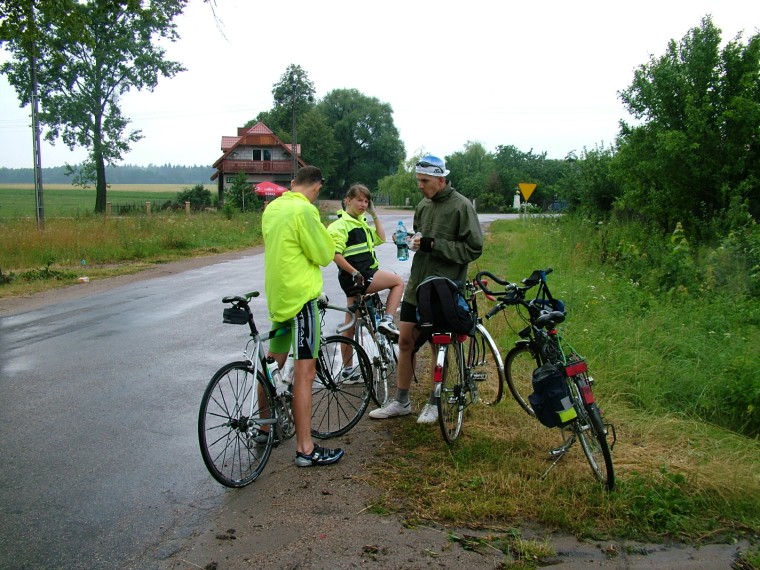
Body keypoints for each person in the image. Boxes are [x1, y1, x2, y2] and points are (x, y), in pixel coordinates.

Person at [368, 155, 483, 424]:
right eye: (418, 180)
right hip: (417, 285)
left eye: (425, 181)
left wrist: (434, 245)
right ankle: (401, 401)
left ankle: (435, 401)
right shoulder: (422, 205)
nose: (420, 186)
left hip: (444, 287)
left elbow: (474, 248)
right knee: (405, 341)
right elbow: (422, 238)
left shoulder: (462, 206)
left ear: (441, 179)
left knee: (437, 345)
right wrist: (411, 240)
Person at [262, 165, 345, 467]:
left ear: (293, 182)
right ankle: (306, 448)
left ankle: (263, 427)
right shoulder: (305, 212)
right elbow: (323, 254)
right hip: (301, 300)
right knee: (305, 373)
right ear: (316, 187)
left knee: (273, 361)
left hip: (280, 297)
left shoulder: (272, 209)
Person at [327, 184, 404, 380]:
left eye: (366, 201)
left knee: (351, 323)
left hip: (357, 278)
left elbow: (380, 238)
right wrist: (354, 272)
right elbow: (335, 254)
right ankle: (388, 320)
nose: (363, 204)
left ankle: (347, 369)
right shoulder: (340, 225)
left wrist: (374, 214)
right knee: (397, 282)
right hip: (359, 276)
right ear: (348, 200)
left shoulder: (361, 223)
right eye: (359, 200)